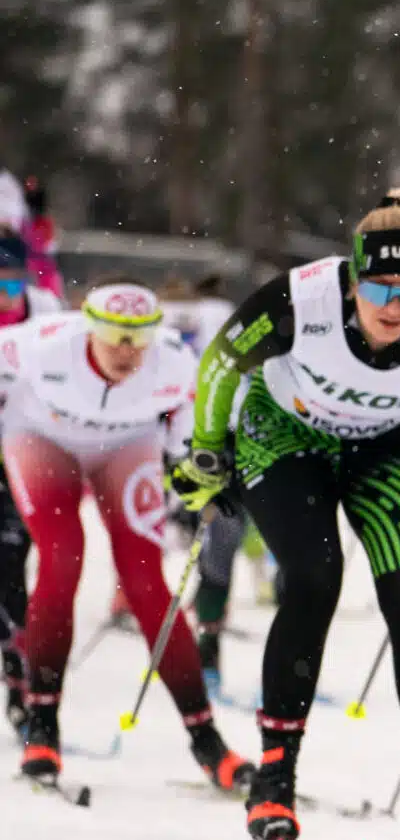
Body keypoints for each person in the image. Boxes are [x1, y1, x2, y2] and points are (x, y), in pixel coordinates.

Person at [170, 190, 400, 840]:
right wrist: (207, 446)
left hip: (388, 440)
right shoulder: (301, 299)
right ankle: (275, 780)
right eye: (380, 285)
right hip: (285, 432)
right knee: (315, 577)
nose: (395, 305)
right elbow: (224, 361)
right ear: (353, 279)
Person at [0, 284, 252, 789]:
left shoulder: (175, 364)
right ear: (88, 327)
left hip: (125, 443)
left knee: (146, 585)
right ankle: (42, 725)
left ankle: (206, 739)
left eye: (139, 339)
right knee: (61, 558)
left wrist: (199, 466)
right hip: (40, 437)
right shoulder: (41, 343)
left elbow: (197, 418)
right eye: (113, 336)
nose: (125, 351)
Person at [161, 274, 247, 689]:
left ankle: (203, 636)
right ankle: (207, 639)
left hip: (197, 434)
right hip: (225, 434)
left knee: (213, 533)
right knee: (222, 538)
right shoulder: (223, 315)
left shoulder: (194, 317)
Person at [0, 232, 65, 731]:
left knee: (12, 562)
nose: (4, 292)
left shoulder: (46, 314)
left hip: (24, 453)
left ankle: (21, 683)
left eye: (13, 280)